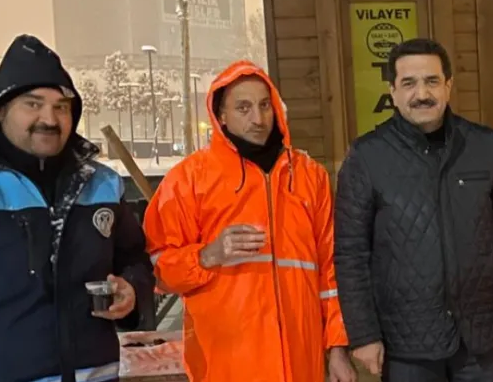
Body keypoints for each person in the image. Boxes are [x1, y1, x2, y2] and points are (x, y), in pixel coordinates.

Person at [0, 34, 154, 382]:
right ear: (0, 109)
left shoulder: (100, 183)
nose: (49, 118)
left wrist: (131, 291)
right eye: (33, 104)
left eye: (61, 106)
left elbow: (135, 258)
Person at [334, 38, 493, 382]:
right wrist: (364, 335)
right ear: (392, 91)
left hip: (481, 336)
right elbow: (350, 254)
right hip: (406, 343)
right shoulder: (366, 157)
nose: (421, 93)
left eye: (431, 81)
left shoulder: (484, 145)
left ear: (449, 85)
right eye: (409, 83)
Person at [144, 60, 354, 382]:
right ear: (221, 116)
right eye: (243, 108)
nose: (258, 118)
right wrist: (207, 255)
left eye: (264, 105)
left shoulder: (309, 176)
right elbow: (157, 269)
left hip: (302, 361)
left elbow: (331, 269)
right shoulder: (188, 180)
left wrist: (337, 348)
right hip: (226, 363)